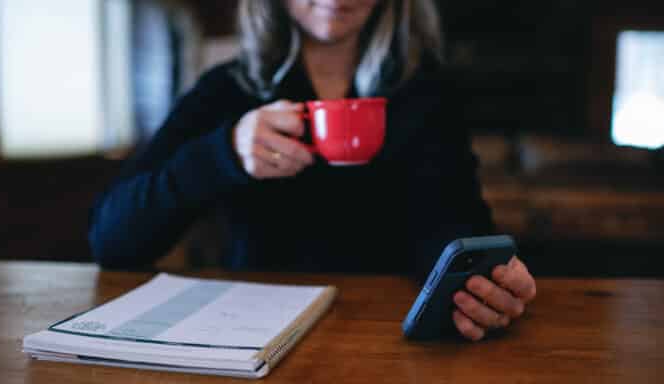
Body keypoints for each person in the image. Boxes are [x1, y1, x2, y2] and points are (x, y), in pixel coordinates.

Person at [88, 0, 536, 341]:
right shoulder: (226, 91)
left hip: (385, 339)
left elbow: (452, 222)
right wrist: (223, 153)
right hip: (247, 337)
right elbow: (114, 240)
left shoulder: (426, 95)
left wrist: (482, 282)